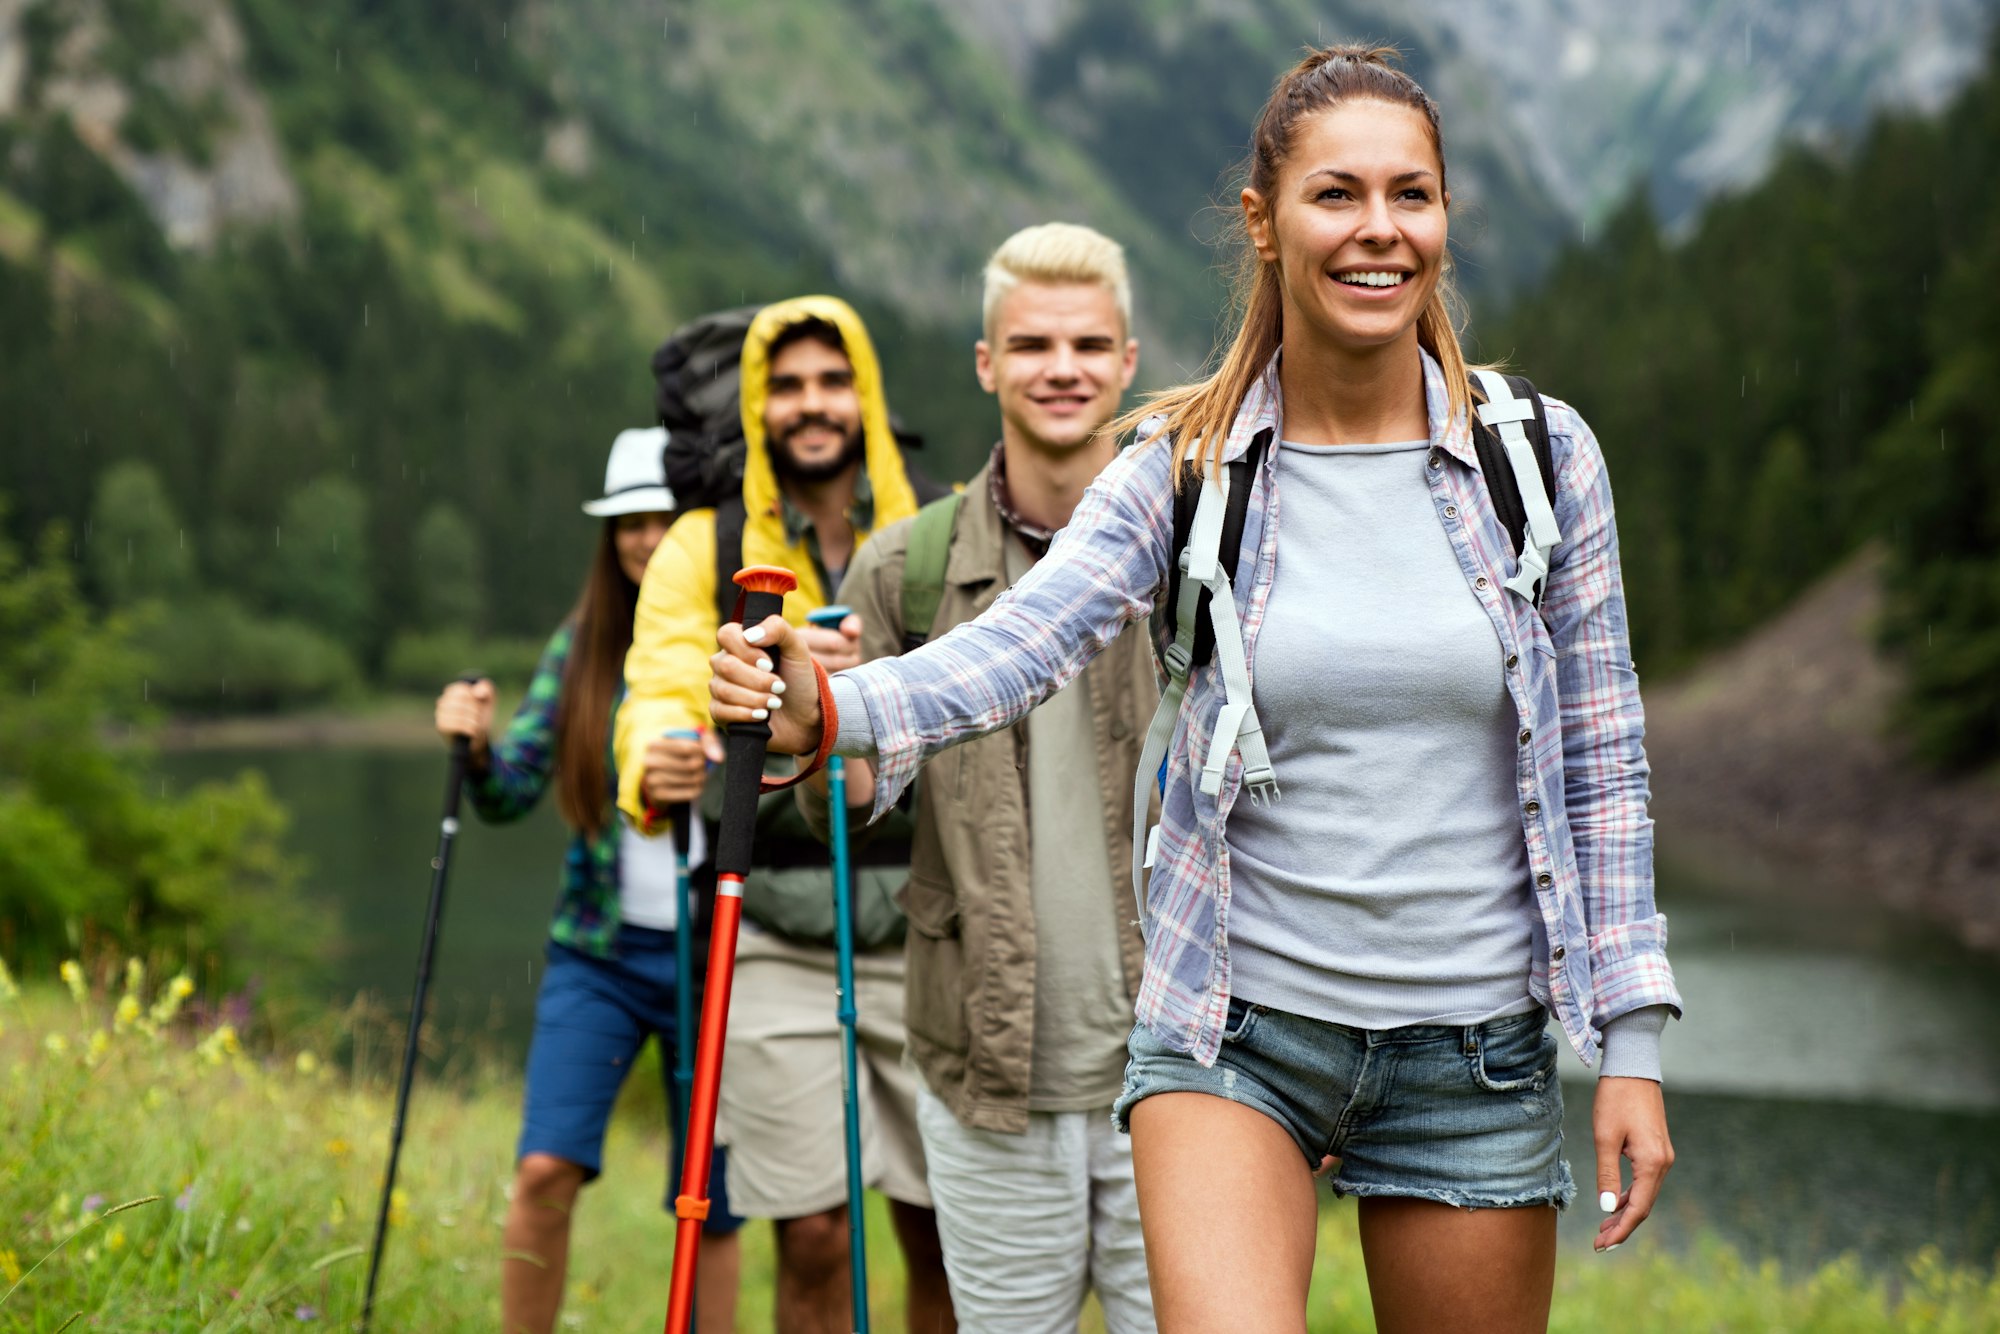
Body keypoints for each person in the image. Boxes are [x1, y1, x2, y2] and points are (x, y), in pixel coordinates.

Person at [711, 46, 1681, 1334]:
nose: (1377, 230)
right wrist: (831, 710)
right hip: (1235, 1033)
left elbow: (1600, 757)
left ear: (1444, 215)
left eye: (1413, 195)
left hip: (1476, 1047)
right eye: (1335, 195)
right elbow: (1024, 640)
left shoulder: (1540, 459)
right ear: (1263, 220)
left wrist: (1629, 1041)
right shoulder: (1187, 464)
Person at [801, 222, 1160, 1330]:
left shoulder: (1198, 546)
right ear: (985, 362)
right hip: (984, 1076)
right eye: (1034, 343)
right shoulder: (901, 567)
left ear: (1129, 362)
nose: (1063, 368)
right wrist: (802, 726)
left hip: (1186, 1074)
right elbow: (849, 800)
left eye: (1089, 345)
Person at [617, 297, 955, 1334]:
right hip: (769, 922)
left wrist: (872, 688)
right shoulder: (703, 544)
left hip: (933, 926)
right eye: (789, 386)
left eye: (832, 381)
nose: (813, 406)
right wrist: (654, 759)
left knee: (942, 1231)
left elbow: (995, 690)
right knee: (809, 1232)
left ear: (867, 396)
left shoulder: (937, 533)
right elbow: (661, 686)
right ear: (758, 408)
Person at [432, 428, 742, 1334]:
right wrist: (476, 747)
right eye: (629, 524)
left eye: (665, 520)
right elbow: (511, 787)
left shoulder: (734, 646)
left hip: (714, 957)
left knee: (711, 1200)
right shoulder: (582, 647)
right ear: (608, 540)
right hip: (596, 956)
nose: (647, 540)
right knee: (543, 1171)